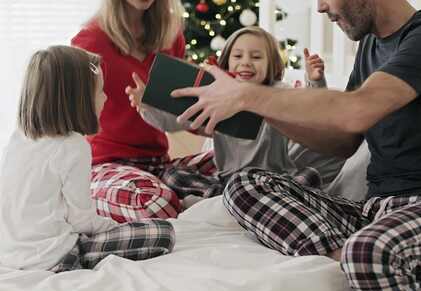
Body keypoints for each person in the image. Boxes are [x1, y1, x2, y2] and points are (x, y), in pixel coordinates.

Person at [170, 0, 421, 291]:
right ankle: (343, 257)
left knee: (369, 251)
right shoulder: (371, 46)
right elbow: (343, 141)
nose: (321, 7)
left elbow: (356, 110)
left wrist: (248, 95)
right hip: (375, 212)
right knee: (245, 184)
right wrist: (261, 110)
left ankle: (359, 258)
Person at [0, 46, 175, 273]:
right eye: (100, 90)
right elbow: (82, 220)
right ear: (78, 99)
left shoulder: (19, 138)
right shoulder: (73, 147)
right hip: (55, 257)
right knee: (163, 233)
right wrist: (117, 226)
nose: (105, 97)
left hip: (8, 254)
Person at [127, 26, 344, 207]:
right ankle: (221, 199)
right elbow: (177, 121)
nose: (246, 62)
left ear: (272, 64)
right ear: (227, 63)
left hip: (273, 178)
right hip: (229, 180)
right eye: (238, 56)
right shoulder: (215, 95)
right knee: (173, 176)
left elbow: (310, 109)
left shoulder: (278, 92)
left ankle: (224, 202)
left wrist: (314, 81)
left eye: (256, 57)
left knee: (308, 177)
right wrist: (146, 107)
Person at [71, 0, 203, 222]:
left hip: (160, 164)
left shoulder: (171, 36)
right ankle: (177, 201)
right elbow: (74, 115)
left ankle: (176, 198)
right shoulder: (91, 41)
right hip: (107, 164)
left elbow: (179, 111)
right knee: (155, 204)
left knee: (233, 172)